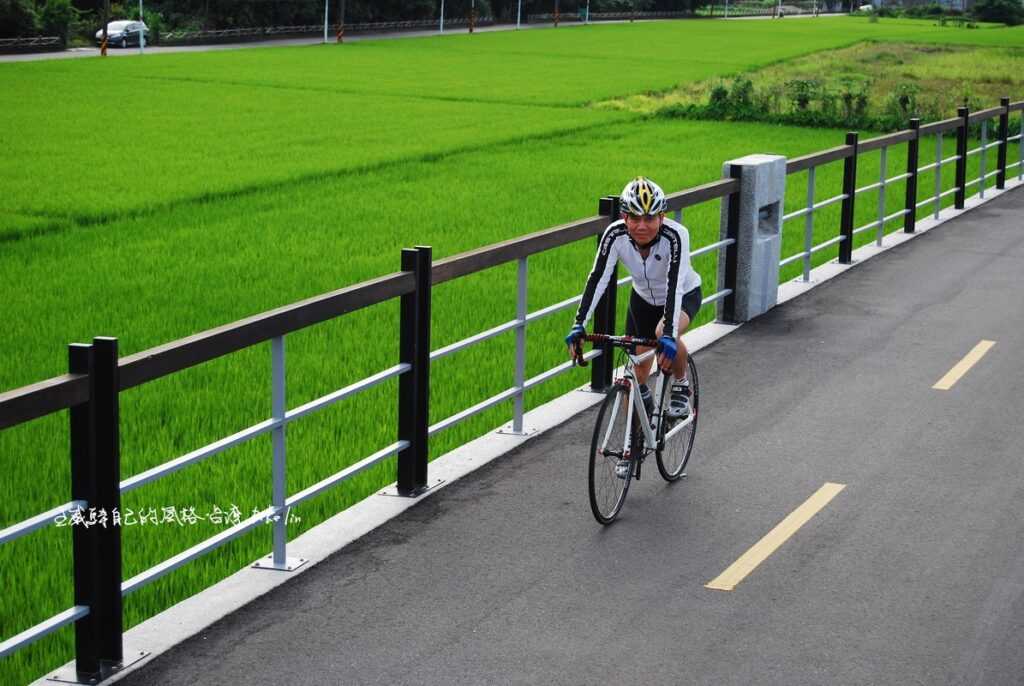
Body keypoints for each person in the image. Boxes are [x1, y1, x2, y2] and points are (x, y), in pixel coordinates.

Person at [566, 176, 702, 427]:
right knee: (636, 375)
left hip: (683, 295)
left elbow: (675, 285)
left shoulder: (676, 236)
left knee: (663, 332)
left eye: (649, 218)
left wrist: (670, 334)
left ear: (662, 217)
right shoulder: (614, 235)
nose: (642, 226)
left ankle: (681, 385)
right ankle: (631, 452)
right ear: (624, 217)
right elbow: (597, 279)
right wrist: (578, 324)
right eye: (635, 218)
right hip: (642, 300)